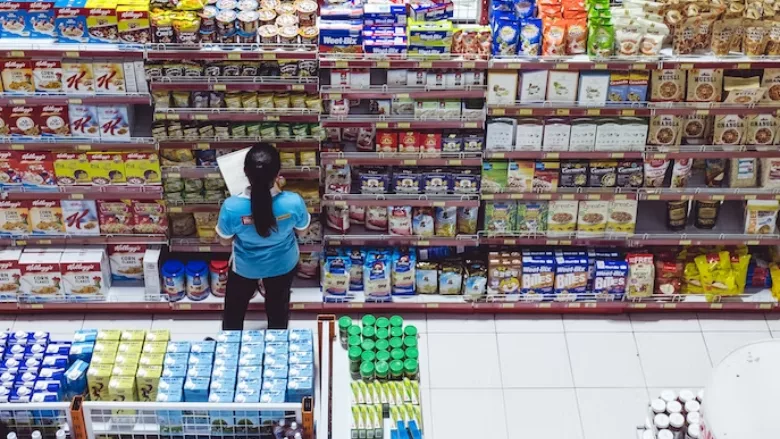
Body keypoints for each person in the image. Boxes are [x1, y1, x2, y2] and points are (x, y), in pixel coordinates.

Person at [216, 143, 310, 330]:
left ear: (245, 173)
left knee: (234, 311)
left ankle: (231, 344)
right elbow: (302, 231)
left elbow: (224, 241)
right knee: (278, 309)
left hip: (245, 267)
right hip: (283, 264)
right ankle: (277, 342)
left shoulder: (232, 206)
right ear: (278, 174)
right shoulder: (293, 202)